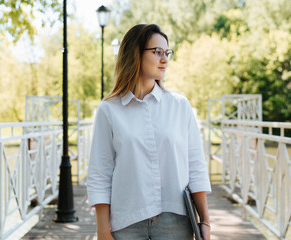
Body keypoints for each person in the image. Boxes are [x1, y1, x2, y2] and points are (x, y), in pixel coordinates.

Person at [87, 24, 211, 240]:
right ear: (135, 54)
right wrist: (102, 230)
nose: (164, 59)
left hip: (176, 223)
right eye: (157, 52)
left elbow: (196, 166)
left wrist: (205, 221)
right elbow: (100, 173)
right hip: (126, 223)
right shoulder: (109, 110)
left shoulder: (180, 106)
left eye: (167, 53)